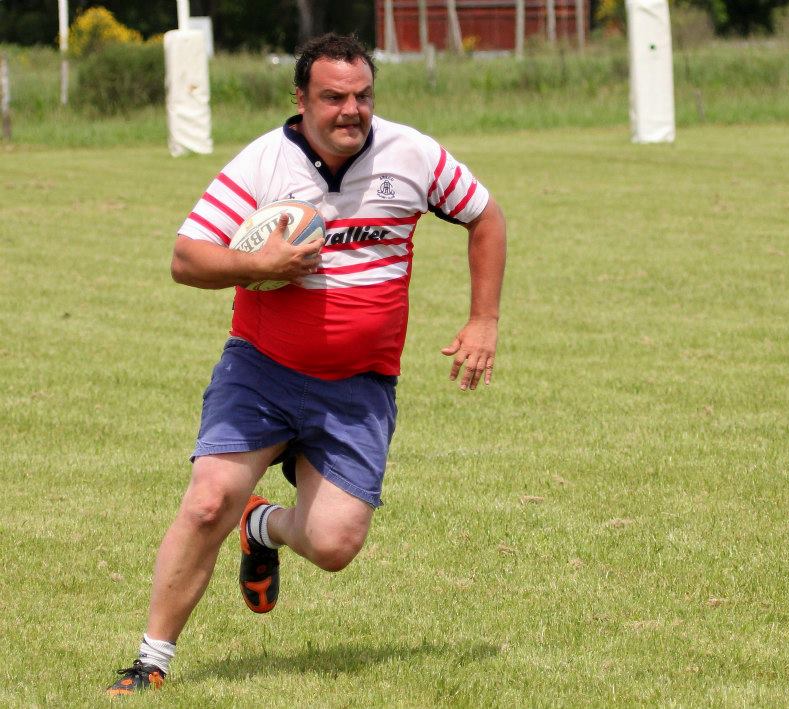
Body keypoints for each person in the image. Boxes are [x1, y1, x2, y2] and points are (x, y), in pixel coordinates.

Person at [106, 32, 506, 695]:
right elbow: (185, 258)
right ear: (301, 99)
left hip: (358, 385)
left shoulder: (411, 154)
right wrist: (256, 264)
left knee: (333, 545)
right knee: (208, 502)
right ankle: (150, 662)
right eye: (333, 97)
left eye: (363, 96)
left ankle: (262, 526)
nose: (352, 110)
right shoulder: (265, 162)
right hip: (262, 370)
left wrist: (483, 320)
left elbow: (485, 216)